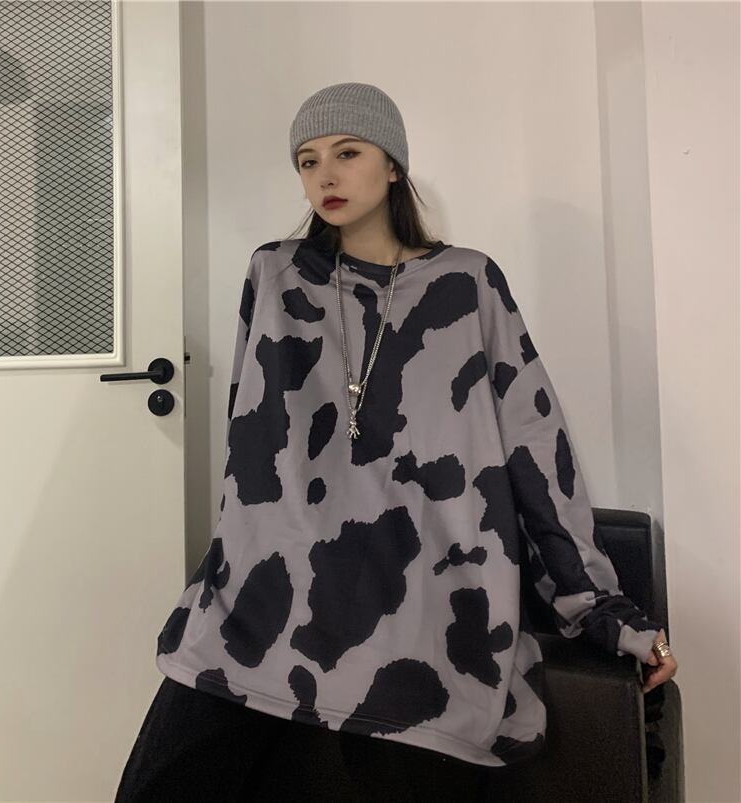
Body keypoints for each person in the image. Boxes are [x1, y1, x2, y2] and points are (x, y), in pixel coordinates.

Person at [115, 81, 678, 803]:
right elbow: (249, 444)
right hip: (269, 588)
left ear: (392, 165)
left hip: (422, 594)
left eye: (347, 152)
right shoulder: (276, 274)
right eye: (308, 160)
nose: (325, 174)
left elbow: (535, 446)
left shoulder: (467, 283)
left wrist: (606, 613)